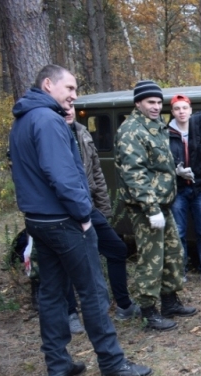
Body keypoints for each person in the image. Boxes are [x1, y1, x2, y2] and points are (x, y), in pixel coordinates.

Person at [10, 64, 152, 376]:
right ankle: (113, 362)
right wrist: (85, 216)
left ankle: (58, 365)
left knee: (52, 292)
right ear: (48, 84)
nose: (75, 95)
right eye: (70, 88)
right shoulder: (47, 120)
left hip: (38, 221)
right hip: (63, 221)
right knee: (92, 291)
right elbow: (62, 176)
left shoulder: (22, 120)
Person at [115, 80, 197, 331]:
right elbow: (135, 174)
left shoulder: (155, 126)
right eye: (150, 102)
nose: (155, 106)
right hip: (146, 208)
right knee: (151, 259)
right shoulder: (131, 130)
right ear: (138, 102)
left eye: (159, 102)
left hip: (163, 204)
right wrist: (151, 209)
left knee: (172, 254)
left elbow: (156, 164)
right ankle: (149, 311)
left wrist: (176, 171)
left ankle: (170, 301)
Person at [63, 106, 141, 329]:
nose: (68, 110)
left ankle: (124, 305)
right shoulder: (51, 133)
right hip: (61, 209)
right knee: (67, 260)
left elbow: (96, 171)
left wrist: (103, 209)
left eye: (71, 107)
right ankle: (70, 313)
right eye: (63, 107)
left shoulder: (81, 132)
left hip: (87, 205)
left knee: (117, 249)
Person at [168, 94, 201, 283]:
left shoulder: (199, 131)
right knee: (179, 231)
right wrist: (176, 171)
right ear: (172, 112)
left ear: (190, 111)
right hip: (179, 189)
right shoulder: (167, 133)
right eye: (177, 109)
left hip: (200, 189)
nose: (181, 112)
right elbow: (162, 162)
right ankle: (181, 271)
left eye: (184, 108)